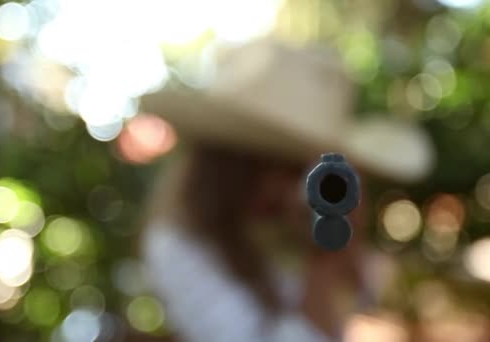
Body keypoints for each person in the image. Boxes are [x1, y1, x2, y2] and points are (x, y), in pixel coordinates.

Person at [137, 39, 434, 342]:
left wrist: (344, 244)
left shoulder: (287, 231)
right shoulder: (178, 242)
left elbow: (361, 301)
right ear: (223, 166)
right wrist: (322, 262)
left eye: (296, 169)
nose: (280, 187)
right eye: (267, 165)